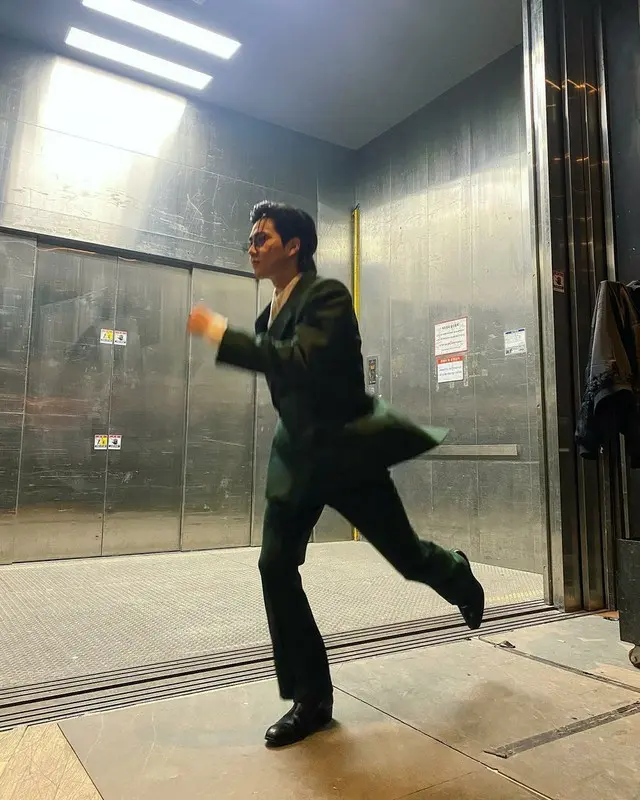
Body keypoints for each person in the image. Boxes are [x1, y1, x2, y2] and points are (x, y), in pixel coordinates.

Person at [187, 201, 484, 749]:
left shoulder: (327, 296)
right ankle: (312, 700)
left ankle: (457, 574)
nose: (251, 247)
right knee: (275, 566)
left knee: (407, 557)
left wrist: (223, 335)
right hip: (295, 458)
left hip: (347, 455)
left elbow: (302, 362)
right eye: (249, 239)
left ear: (293, 245)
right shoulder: (269, 315)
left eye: (261, 237)